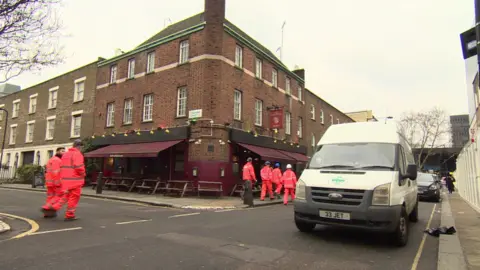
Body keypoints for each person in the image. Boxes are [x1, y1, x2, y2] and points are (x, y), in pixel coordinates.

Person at [43, 139, 86, 221]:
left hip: (65, 180)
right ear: (80, 147)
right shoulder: (77, 154)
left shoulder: (65, 155)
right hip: (75, 180)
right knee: (74, 197)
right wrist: (83, 174)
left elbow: (61, 167)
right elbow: (78, 166)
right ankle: (70, 215)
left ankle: (51, 208)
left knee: (65, 197)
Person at [41, 147, 65, 218]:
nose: (64, 153)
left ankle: (47, 213)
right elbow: (56, 172)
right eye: (62, 151)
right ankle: (47, 207)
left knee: (50, 197)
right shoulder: (57, 160)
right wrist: (58, 182)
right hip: (55, 182)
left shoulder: (51, 159)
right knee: (59, 195)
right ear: (57, 151)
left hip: (49, 182)